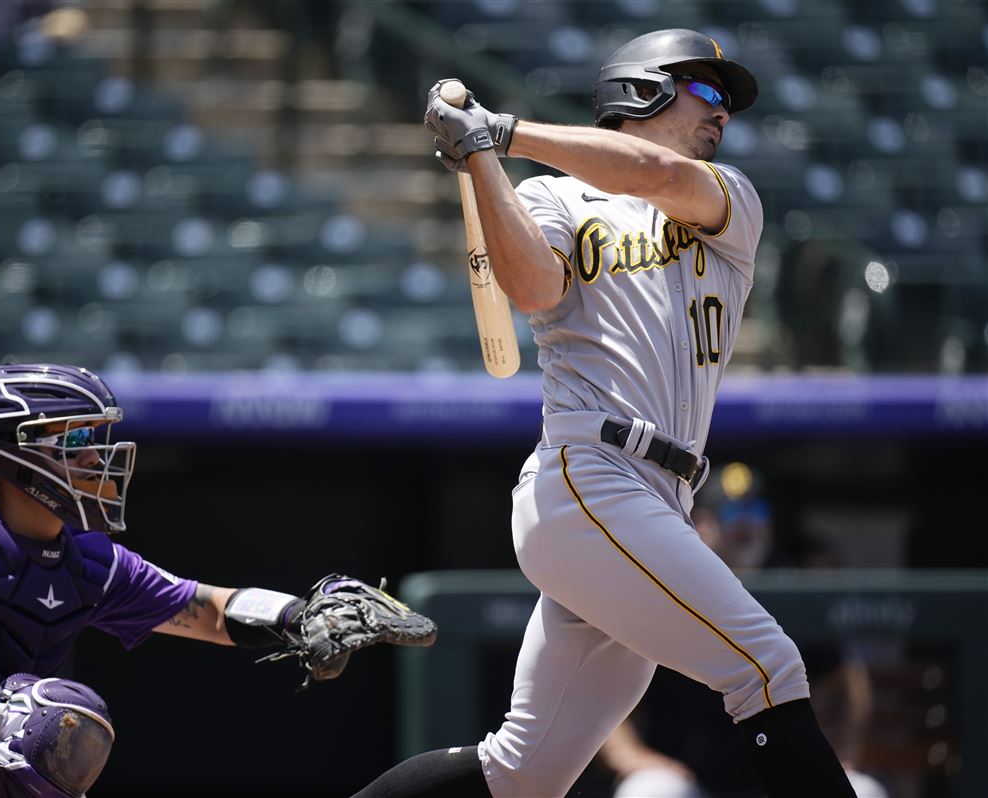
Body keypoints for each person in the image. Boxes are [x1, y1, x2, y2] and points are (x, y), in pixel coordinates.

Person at [353, 28, 857, 798]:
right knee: (767, 666)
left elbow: (654, 171)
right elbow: (530, 291)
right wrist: (484, 160)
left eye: (729, 101)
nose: (724, 114)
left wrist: (503, 132)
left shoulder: (728, 200)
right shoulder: (551, 196)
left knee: (521, 774)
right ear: (643, 88)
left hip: (661, 498)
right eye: (709, 91)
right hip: (590, 475)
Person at [0, 362, 424, 797]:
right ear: (12, 450)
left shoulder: (87, 563)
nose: (97, 457)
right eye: (75, 439)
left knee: (54, 721)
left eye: (97, 437)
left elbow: (210, 611)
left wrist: (300, 616)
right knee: (50, 716)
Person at [599, 463, 889, 798]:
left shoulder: (791, 589)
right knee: (650, 792)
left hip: (780, 782)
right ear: (702, 524)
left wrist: (845, 755)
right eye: (734, 512)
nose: (748, 523)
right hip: (690, 783)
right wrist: (631, 756)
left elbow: (849, 680)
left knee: (863, 792)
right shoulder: (667, 583)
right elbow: (605, 681)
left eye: (757, 510)